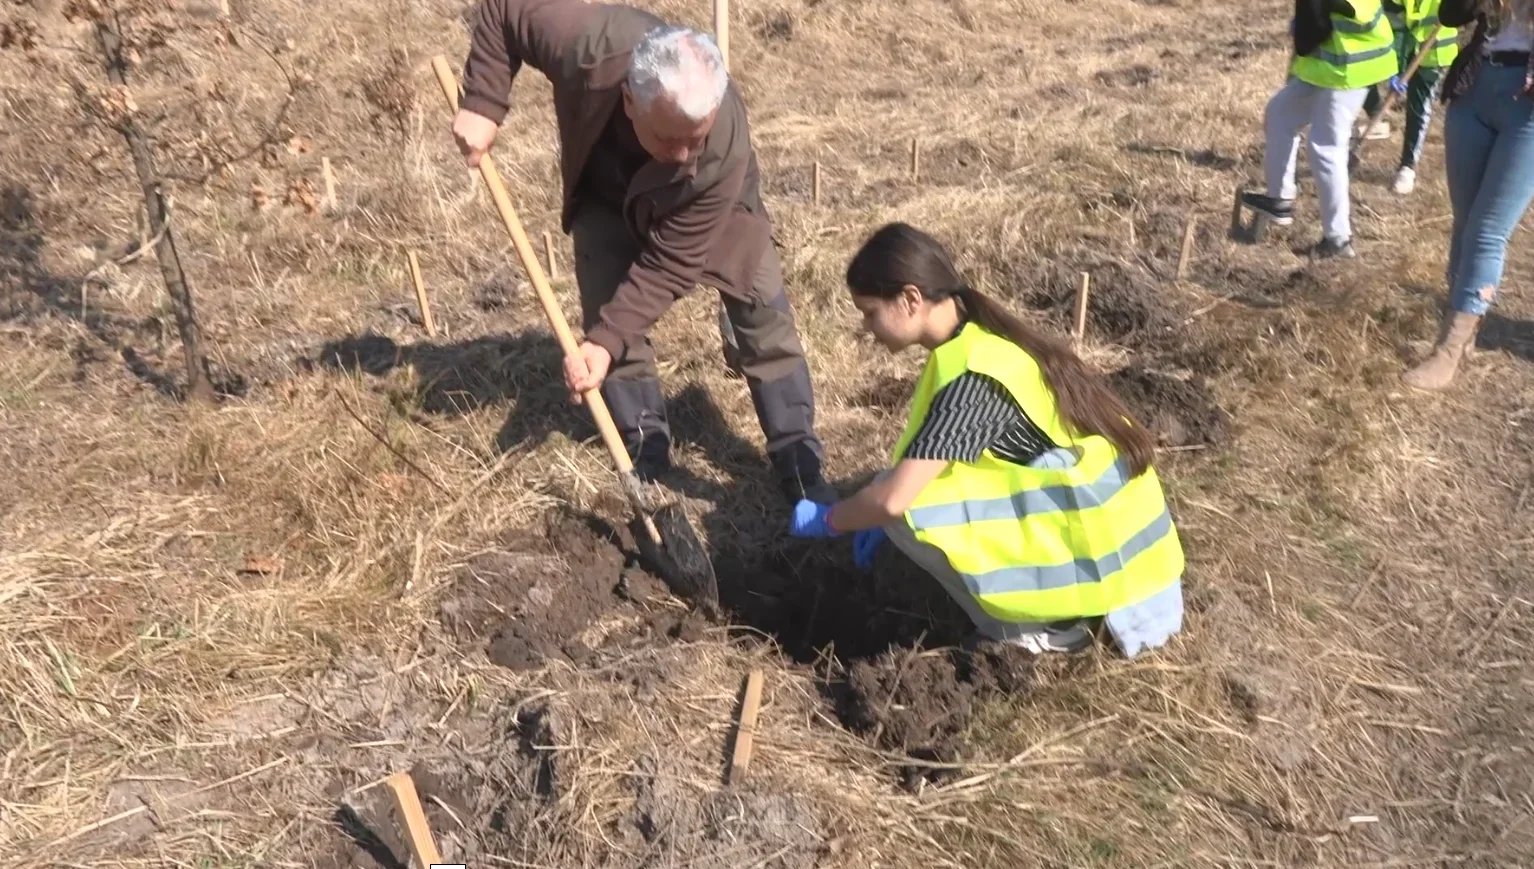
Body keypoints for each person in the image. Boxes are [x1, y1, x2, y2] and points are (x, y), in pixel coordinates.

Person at [451, 0, 831, 502]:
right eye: (671, 139)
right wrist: (483, 100)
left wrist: (604, 340)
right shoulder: (587, 46)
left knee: (760, 310)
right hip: (607, 189)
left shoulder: (718, 146)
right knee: (610, 306)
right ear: (629, 99)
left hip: (712, 204)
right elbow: (503, 10)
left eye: (694, 139)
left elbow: (671, 262)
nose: (683, 155)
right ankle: (645, 446)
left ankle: (797, 456)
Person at [787, 223, 1185, 657]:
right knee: (893, 491)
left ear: (910, 299)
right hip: (1126, 557)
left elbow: (892, 501)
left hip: (1115, 589)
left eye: (869, 311)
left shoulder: (975, 380)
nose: (867, 327)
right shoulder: (980, 340)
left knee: (901, 508)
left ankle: (1047, 628)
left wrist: (832, 520)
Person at [1403, 0, 1534, 390]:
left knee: (1486, 231)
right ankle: (1459, 327)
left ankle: (1449, 350)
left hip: (1527, 107)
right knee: (1464, 220)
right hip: (1476, 87)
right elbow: (1450, 14)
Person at [1243, 0, 1399, 259]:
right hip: (1328, 65)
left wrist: (1301, 24)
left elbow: (1310, 35)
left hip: (1350, 69)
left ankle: (1338, 240)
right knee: (1280, 112)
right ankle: (1279, 199)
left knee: (1325, 148)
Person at [1357, 0, 1460, 194]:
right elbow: (1394, 25)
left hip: (1433, 49)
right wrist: (1398, 67)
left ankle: (1407, 167)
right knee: (1360, 73)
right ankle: (1376, 114)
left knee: (1418, 108)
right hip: (1400, 45)